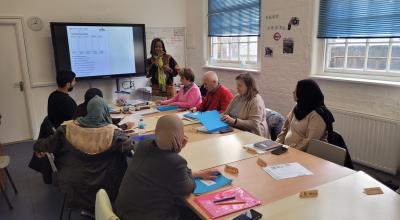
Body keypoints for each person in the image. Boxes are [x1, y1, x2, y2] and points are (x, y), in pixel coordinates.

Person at [34, 96, 135, 213]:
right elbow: (133, 151)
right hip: (108, 187)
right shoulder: (115, 134)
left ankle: (90, 208)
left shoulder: (67, 129)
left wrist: (37, 147)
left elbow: (47, 144)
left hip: (74, 187)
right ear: (106, 111)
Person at [115, 115, 219, 220]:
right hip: (146, 216)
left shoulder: (143, 145)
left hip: (122, 212)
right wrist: (176, 152)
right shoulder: (175, 163)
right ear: (180, 137)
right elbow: (189, 188)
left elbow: (162, 172)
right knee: (195, 214)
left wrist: (197, 174)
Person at [276, 79, 334, 151]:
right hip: (287, 149)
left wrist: (291, 150)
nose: (293, 92)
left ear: (304, 93)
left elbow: (309, 142)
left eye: (296, 90)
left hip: (304, 153)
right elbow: (285, 129)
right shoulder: (297, 107)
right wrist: (277, 143)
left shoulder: (317, 115)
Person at [222, 73, 268, 138]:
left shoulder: (256, 101)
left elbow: (254, 124)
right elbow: (226, 113)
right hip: (235, 131)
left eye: (240, 85)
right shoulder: (237, 97)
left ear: (249, 87)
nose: (237, 88)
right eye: (237, 85)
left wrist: (234, 121)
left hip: (252, 135)